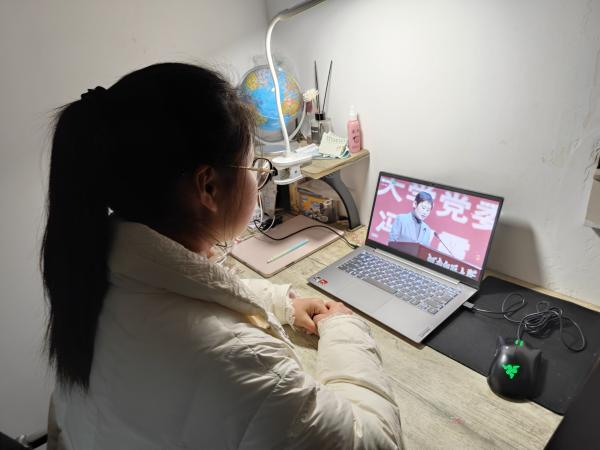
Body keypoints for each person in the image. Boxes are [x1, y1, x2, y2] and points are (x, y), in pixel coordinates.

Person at [42, 63, 402, 450]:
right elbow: (375, 442)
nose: (258, 177)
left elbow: (181, 294)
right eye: (255, 166)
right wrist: (343, 329)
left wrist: (282, 302)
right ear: (209, 187)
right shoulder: (248, 366)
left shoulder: (94, 274)